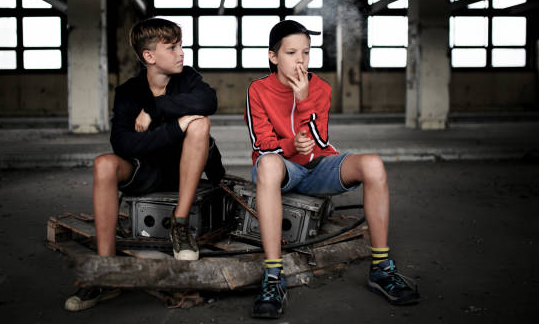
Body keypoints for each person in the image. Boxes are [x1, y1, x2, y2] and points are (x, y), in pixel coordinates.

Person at [245, 20, 420, 318]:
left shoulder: (320, 88)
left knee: (373, 164)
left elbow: (321, 139)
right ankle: (274, 276)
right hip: (282, 170)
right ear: (273, 56)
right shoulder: (258, 90)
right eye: (290, 52)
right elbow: (263, 145)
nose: (300, 60)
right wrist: (292, 146)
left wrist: (302, 100)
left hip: (319, 168)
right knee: (269, 165)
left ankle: (381, 267)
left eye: (306, 52)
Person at [65, 17, 225, 312]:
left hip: (183, 171)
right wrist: (176, 126)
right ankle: (105, 270)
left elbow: (209, 100)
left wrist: (155, 109)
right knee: (104, 164)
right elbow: (124, 145)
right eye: (173, 47)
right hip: (146, 171)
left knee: (201, 123)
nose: (181, 53)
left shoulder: (187, 78)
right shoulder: (128, 92)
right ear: (149, 56)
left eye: (181, 45)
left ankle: (180, 225)